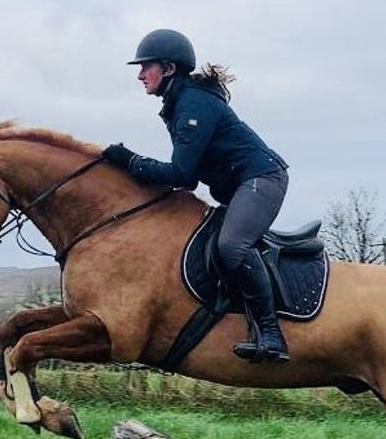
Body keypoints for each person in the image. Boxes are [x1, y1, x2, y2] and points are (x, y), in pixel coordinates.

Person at [102, 29, 291, 364]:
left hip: (262, 179)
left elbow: (181, 176)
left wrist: (131, 161)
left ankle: (272, 334)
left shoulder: (193, 102)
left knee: (232, 246)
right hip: (243, 185)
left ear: (169, 69)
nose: (140, 74)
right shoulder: (179, 102)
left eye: (146, 66)